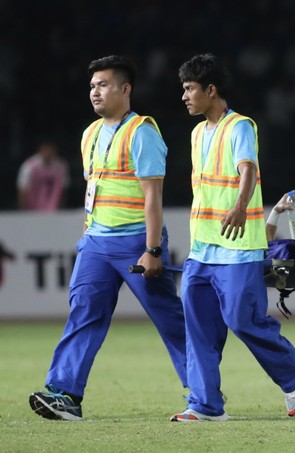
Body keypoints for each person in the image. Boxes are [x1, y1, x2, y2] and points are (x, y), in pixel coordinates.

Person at [28, 55, 187, 421]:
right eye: (91, 87)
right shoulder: (89, 134)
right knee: (84, 313)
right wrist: (87, 236)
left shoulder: (142, 132)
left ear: (125, 89)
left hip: (136, 242)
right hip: (96, 244)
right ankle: (64, 393)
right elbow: (94, 191)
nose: (95, 92)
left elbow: (152, 197)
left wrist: (152, 249)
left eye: (102, 85)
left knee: (169, 319)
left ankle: (204, 391)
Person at [171, 54, 295, 422]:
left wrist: (239, 206)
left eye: (189, 89)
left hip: (239, 244)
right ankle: (205, 405)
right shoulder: (197, 132)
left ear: (210, 90)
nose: (184, 96)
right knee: (197, 326)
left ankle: (292, 374)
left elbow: (247, 170)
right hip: (202, 247)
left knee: (241, 319)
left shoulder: (241, 127)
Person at [16, 139, 70, 211]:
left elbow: (63, 192)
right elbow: (23, 191)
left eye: (50, 149)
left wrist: (60, 210)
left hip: (54, 212)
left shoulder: (61, 166)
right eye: (45, 148)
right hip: (32, 211)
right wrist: (24, 212)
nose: (48, 152)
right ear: (40, 149)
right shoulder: (29, 166)